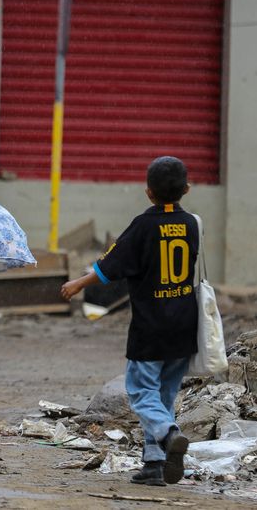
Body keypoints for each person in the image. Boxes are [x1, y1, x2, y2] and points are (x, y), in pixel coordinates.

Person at [61, 156, 198, 487]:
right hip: (184, 325)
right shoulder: (192, 224)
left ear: (148, 192)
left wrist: (78, 283)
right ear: (187, 189)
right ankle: (155, 463)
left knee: (140, 391)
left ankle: (167, 435)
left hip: (151, 327)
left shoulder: (143, 225)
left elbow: (110, 266)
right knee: (164, 396)